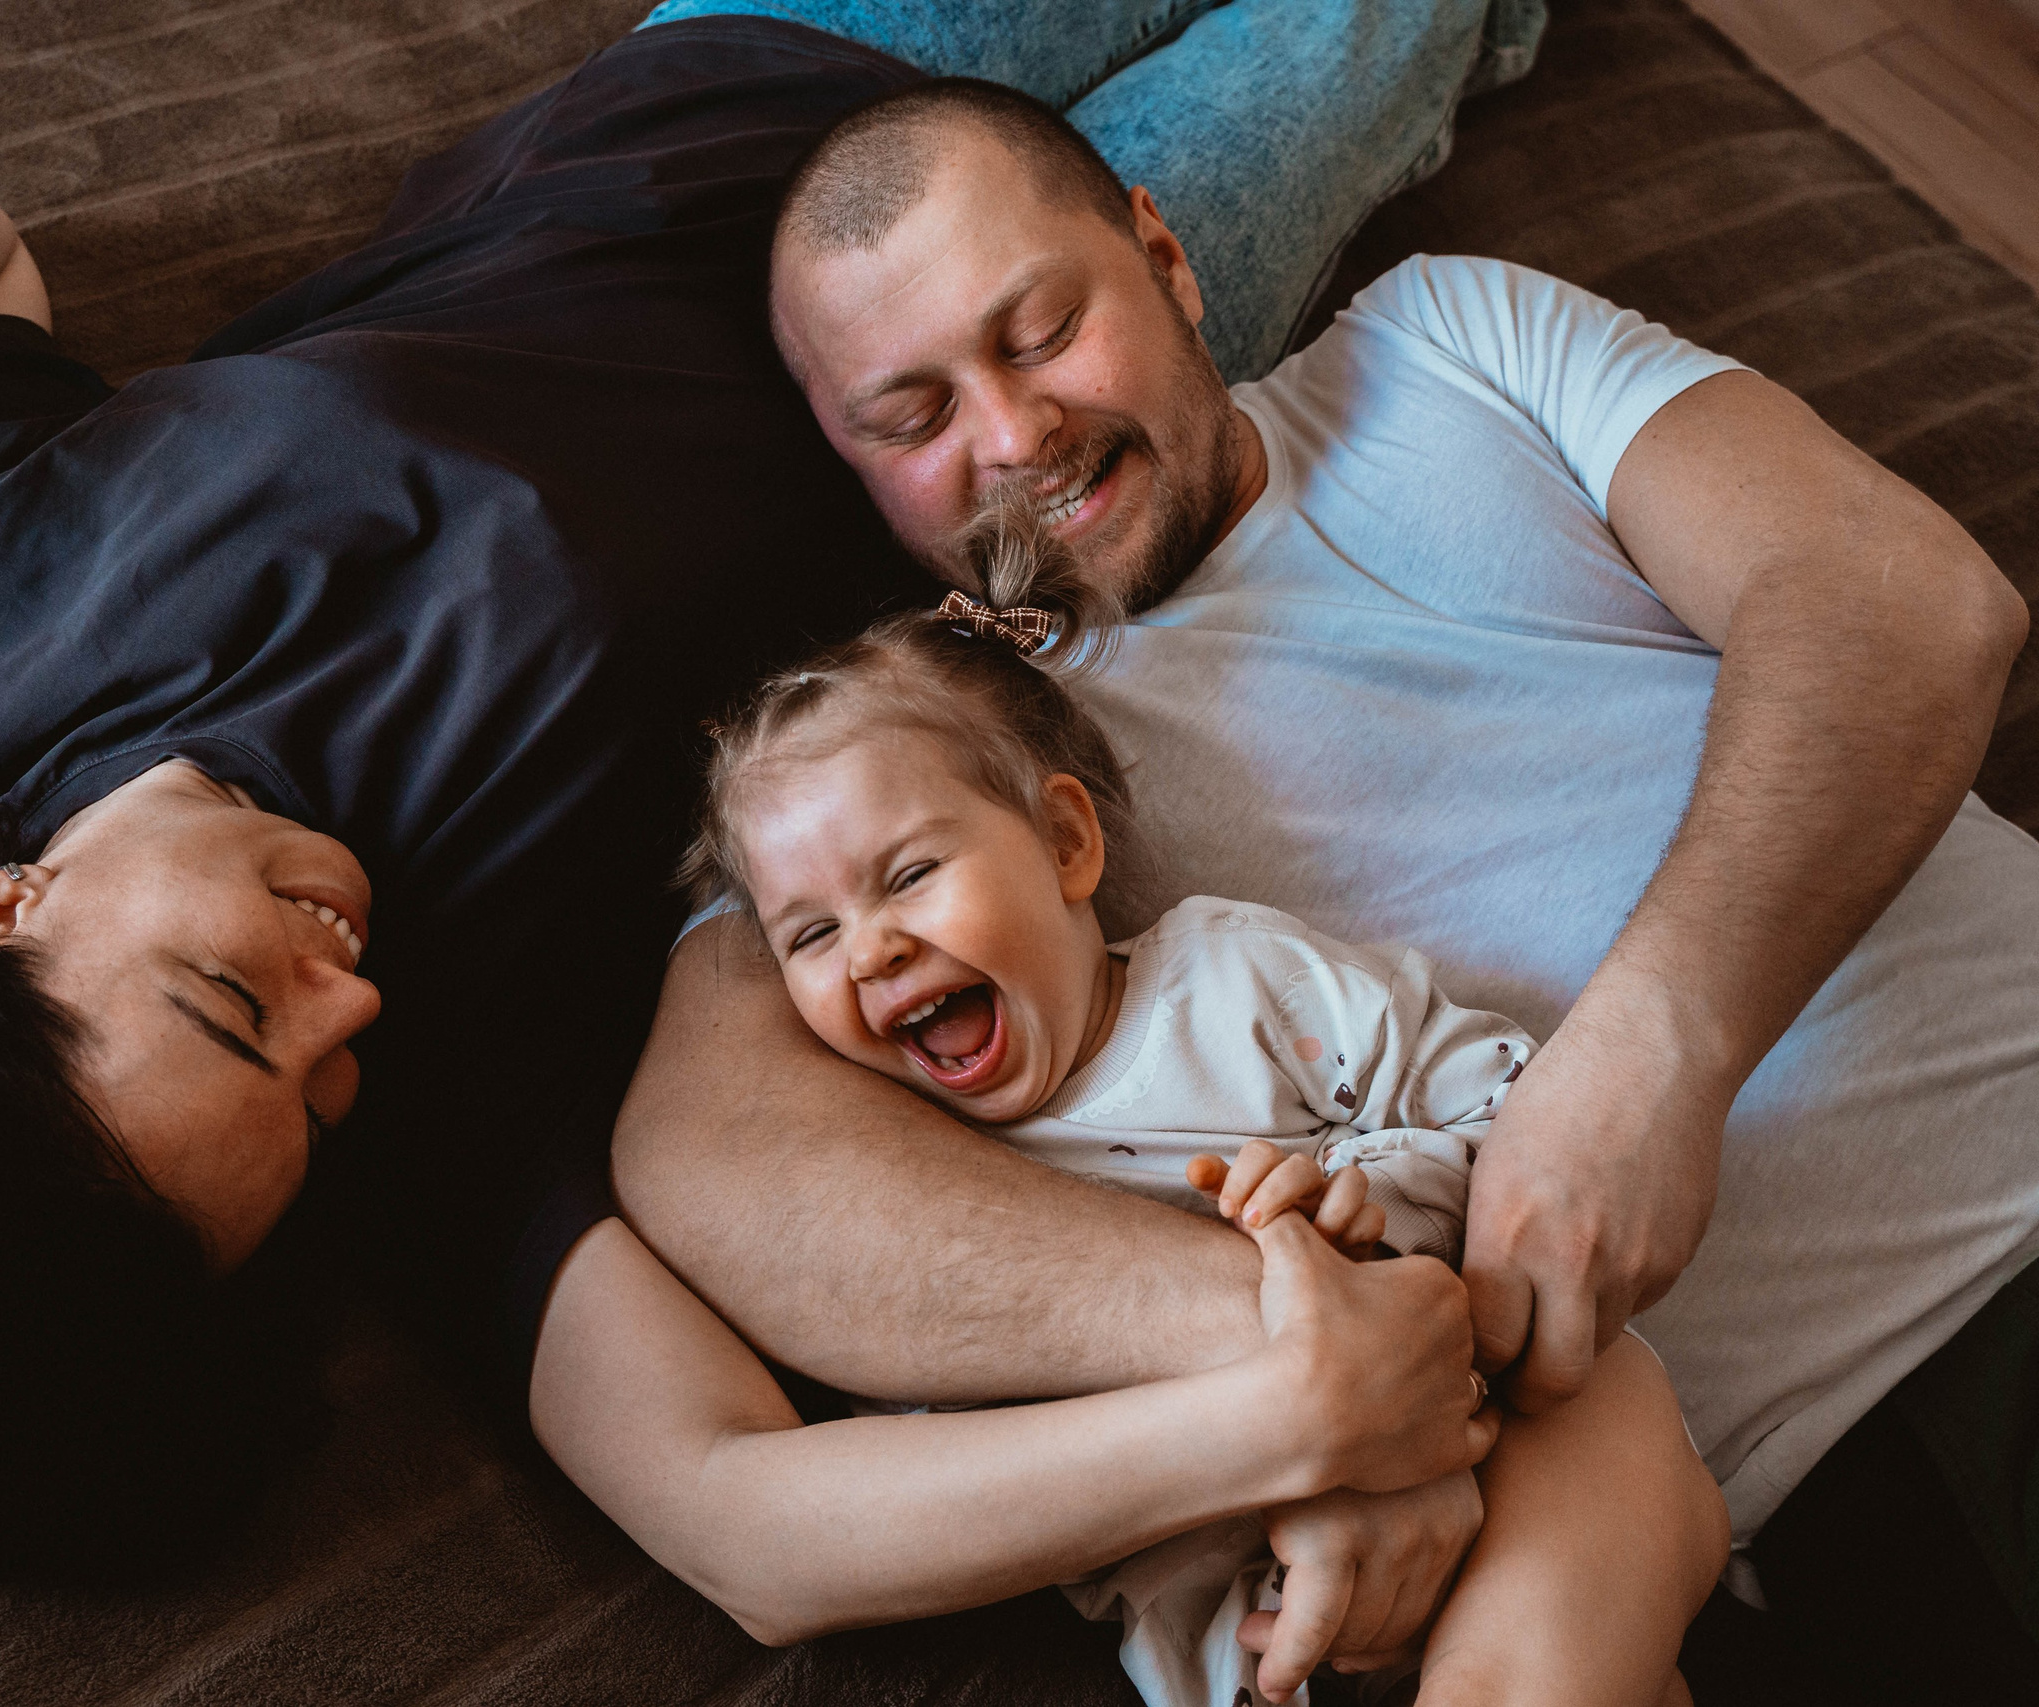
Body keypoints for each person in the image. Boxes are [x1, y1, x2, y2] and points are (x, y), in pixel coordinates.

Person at [0, 0, 1534, 1598]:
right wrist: (1284, 1406)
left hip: (753, 72)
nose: (345, 998)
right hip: (1001, 423)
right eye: (320, 1084)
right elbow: (744, 1527)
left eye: (234, 1008)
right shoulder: (453, 1080)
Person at [587, 49, 2036, 1690]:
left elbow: (1904, 597)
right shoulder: (905, 757)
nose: (1011, 434)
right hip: (1830, 1463)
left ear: (1167, 253)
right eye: (910, 418)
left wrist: (1657, 1048)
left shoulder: (1449, 340)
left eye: (1044, 329)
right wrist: (1304, 1361)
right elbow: (717, 1152)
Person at [665, 604, 1725, 1705]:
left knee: (1604, 1409)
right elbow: (964, 1466)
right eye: (811, 935)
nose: (873, 949)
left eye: (909, 874)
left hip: (1503, 1451)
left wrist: (1372, 1194)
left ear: (1066, 844)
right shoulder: (897, 1179)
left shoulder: (1236, 985)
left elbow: (1517, 1116)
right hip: (1267, 1631)